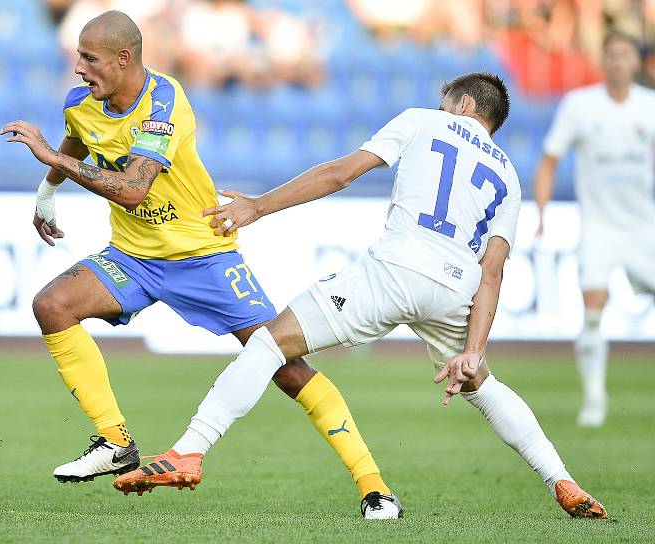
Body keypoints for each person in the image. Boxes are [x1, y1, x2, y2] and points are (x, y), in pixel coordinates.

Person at [114, 72, 608, 520]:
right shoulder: (508, 177)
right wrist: (472, 352)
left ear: (460, 105)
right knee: (484, 386)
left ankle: (190, 450)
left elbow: (341, 174)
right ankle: (561, 479)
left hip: (395, 269)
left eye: (445, 104)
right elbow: (493, 272)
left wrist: (258, 207)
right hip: (455, 288)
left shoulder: (422, 121)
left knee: (268, 345)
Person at [0, 10, 398, 519]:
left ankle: (373, 486)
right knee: (52, 306)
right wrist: (47, 192)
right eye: (79, 56)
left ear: (124, 59)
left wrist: (51, 161)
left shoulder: (165, 102)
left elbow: (132, 189)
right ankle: (114, 442)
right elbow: (77, 139)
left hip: (203, 255)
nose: (78, 67)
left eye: (89, 58)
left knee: (284, 366)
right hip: (134, 256)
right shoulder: (80, 101)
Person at [533, 31, 655, 427]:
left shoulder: (649, 107)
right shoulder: (580, 106)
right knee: (592, 312)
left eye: (625, 55)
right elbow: (550, 159)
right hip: (599, 228)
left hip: (643, 227)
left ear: (636, 62)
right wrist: (541, 215)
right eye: (612, 55)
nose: (618, 62)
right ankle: (595, 398)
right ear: (602, 61)